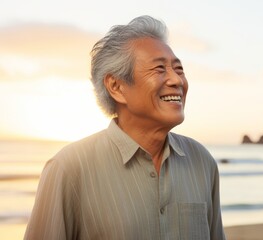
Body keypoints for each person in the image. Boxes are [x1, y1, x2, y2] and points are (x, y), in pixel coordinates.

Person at [24, 15, 226, 240]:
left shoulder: (202, 161)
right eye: (160, 69)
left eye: (178, 69)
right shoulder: (68, 168)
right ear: (116, 86)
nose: (176, 80)